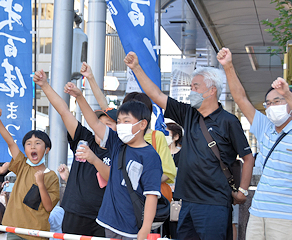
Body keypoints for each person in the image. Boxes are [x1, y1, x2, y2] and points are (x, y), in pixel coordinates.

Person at [124, 51, 255, 240]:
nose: (191, 91)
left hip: (214, 203)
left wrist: (242, 191)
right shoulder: (188, 114)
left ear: (211, 90)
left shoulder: (228, 121)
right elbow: (156, 95)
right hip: (186, 201)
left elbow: (248, 157)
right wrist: (136, 67)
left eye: (196, 86)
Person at [65, 82, 162, 240]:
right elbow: (95, 123)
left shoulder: (150, 156)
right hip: (107, 223)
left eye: (126, 121)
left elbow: (151, 195)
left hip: (131, 228)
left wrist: (145, 228)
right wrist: (80, 96)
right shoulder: (117, 143)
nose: (121, 126)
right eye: (119, 121)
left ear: (143, 124)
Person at [217, 47, 292, 239]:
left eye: (278, 100)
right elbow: (240, 98)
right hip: (258, 211)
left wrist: (288, 93)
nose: (273, 107)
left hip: (286, 216)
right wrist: (228, 66)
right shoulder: (264, 127)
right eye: (269, 103)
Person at [33, 70, 115, 237]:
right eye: (99, 122)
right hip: (74, 211)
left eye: (108, 124)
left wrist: (94, 160)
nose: (101, 127)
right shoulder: (85, 138)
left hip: (104, 216)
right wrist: (44, 85)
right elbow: (64, 111)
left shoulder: (120, 149)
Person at [81, 63, 176, 191]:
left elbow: (168, 171)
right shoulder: (121, 134)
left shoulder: (155, 137)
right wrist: (90, 78)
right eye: (122, 116)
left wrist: (144, 186)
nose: (124, 121)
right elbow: (104, 106)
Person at [0, 108, 60, 240]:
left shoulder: (51, 176)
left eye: (38, 143)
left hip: (37, 234)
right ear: (25, 149)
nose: (33, 147)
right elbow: (10, 142)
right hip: (14, 230)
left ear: (47, 150)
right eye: (28, 144)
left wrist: (41, 184)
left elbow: (48, 206)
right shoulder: (22, 165)